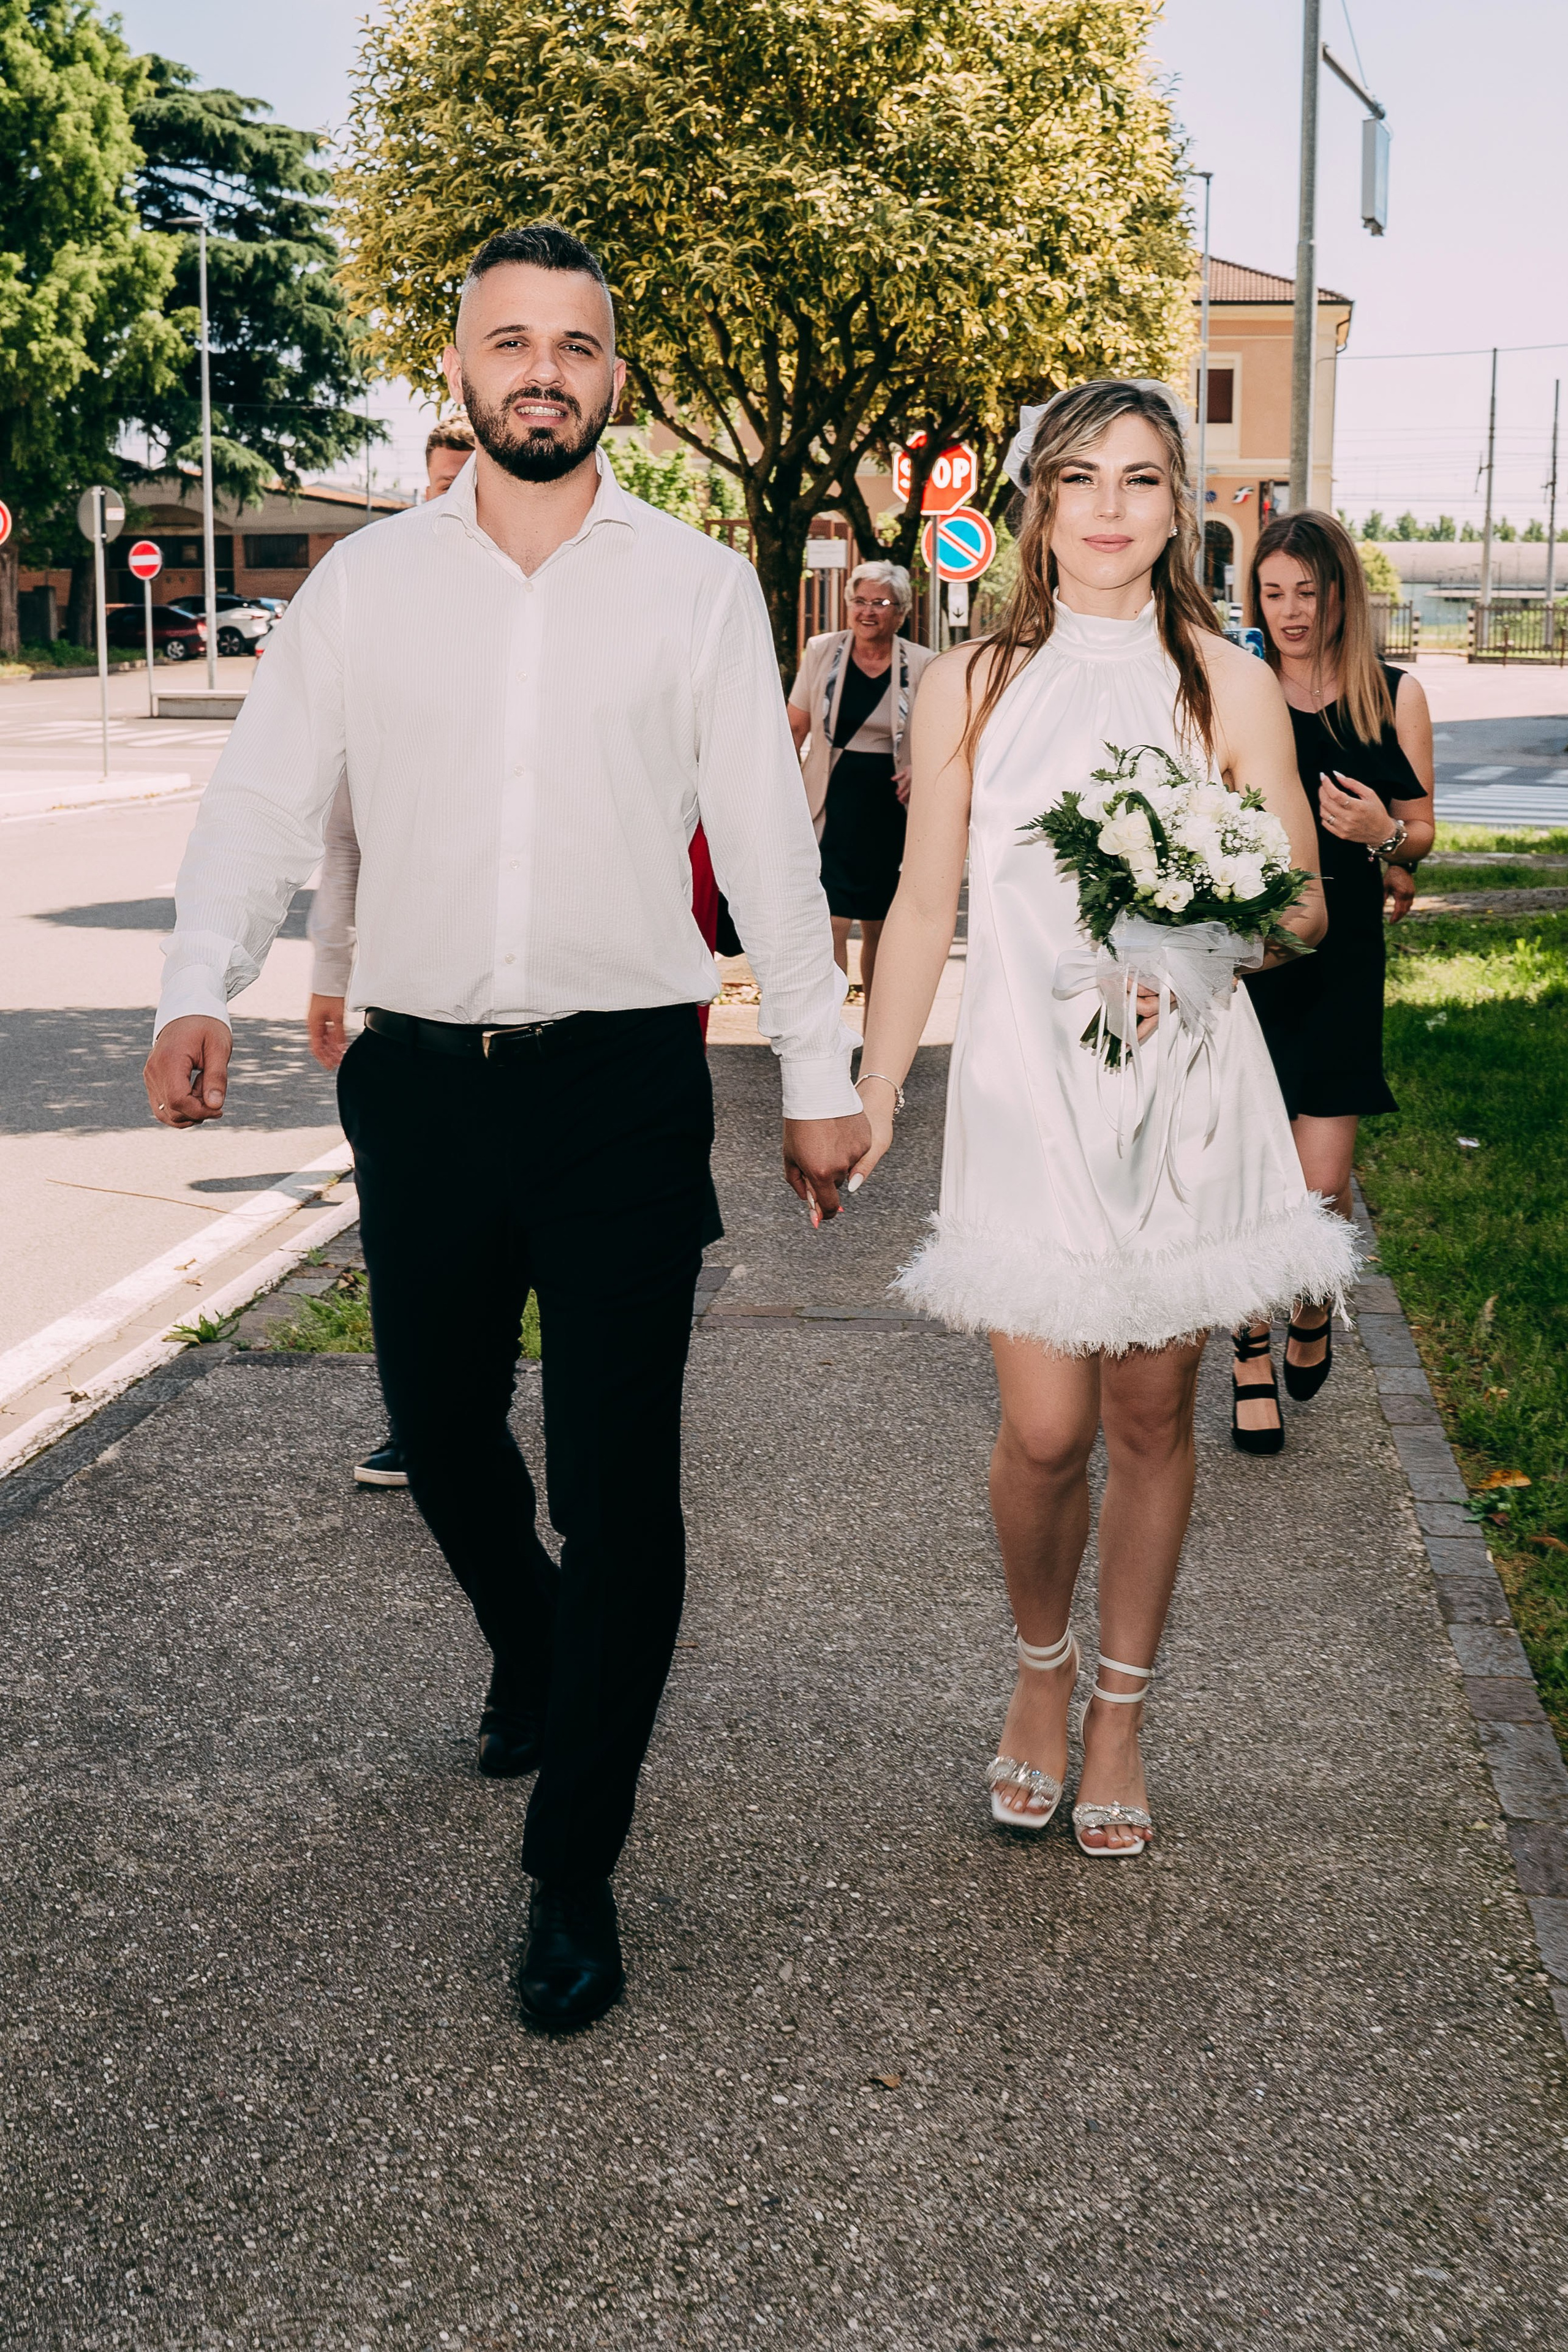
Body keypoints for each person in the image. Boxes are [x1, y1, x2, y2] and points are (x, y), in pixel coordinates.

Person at [143, 221, 867, 2031]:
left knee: (627, 1493)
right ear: (455, 371)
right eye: (507, 339)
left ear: (615, 378)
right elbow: (260, 795)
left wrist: (824, 1074)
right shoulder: (363, 592)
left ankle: (572, 1861)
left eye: (576, 342)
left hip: (624, 1082)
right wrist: (191, 982)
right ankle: (534, 1644)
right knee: (450, 1432)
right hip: (422, 1086)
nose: (542, 365)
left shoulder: (694, 588)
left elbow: (770, 850)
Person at [846, 380, 1355, 1857]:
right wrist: (872, 1086)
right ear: (1035, 503)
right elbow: (922, 899)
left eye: (1140, 478)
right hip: (1023, 1090)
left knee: (1146, 1411)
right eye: (1080, 479)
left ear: (1177, 504)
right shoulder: (971, 682)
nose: (1111, 507)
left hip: (1181, 1091)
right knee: (1044, 1423)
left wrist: (1191, 944)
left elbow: (1305, 904)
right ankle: (1036, 1664)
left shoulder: (1226, 683)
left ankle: (1119, 1706)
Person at [1229, 511, 1434, 1452]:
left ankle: (1313, 1305)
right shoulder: (1238, 690)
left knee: (1318, 1188)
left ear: (1339, 593)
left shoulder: (1392, 696)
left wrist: (1380, 840)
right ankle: (1247, 1353)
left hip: (1344, 958)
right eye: (1273, 592)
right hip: (1248, 957)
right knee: (1240, 1171)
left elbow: (1419, 830)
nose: (1289, 611)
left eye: (1306, 591)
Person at [306, 420, 480, 1491]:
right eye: (442, 487)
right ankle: (422, 1421)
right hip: (409, 1010)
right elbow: (341, 833)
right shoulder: (381, 608)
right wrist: (329, 975)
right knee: (414, 1242)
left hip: (550, 1008)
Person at [788, 562, 935, 1025]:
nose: (868, 612)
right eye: (861, 601)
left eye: (881, 603)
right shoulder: (822, 650)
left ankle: (877, 1027)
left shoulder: (923, 663)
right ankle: (829, 1028)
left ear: (901, 612)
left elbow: (944, 734)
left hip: (891, 806)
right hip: (832, 799)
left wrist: (922, 769)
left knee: (879, 924)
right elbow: (794, 724)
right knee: (830, 918)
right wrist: (777, 790)